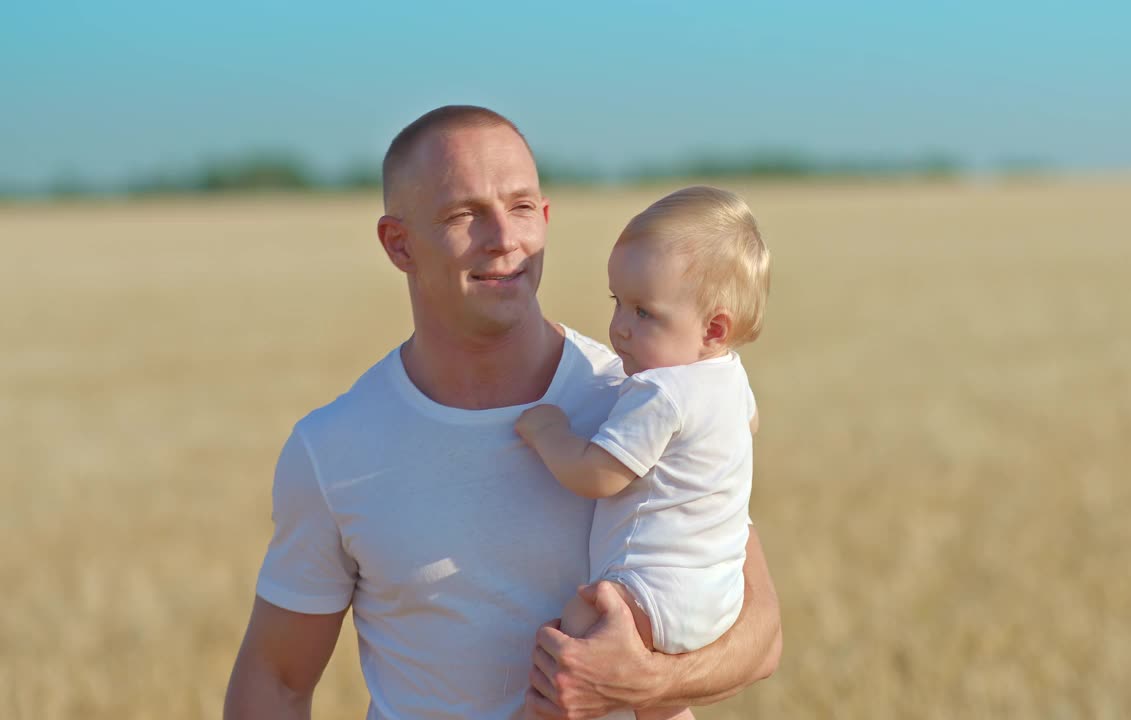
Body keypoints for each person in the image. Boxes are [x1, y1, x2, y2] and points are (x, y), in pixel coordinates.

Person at [223, 105, 782, 720]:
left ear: (544, 219)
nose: (503, 239)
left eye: (520, 207)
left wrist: (642, 682)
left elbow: (760, 636)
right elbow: (276, 680)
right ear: (398, 243)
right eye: (464, 213)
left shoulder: (642, 394)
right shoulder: (333, 449)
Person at [514, 186, 769, 720]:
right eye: (617, 303)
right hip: (716, 597)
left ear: (713, 328)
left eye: (645, 313)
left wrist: (548, 432)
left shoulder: (660, 393)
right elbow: (749, 424)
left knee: (575, 640)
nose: (620, 328)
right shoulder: (729, 377)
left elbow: (596, 475)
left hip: (651, 591)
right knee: (660, 707)